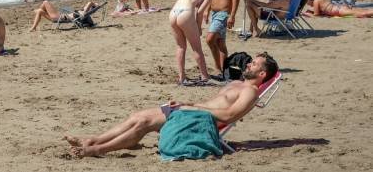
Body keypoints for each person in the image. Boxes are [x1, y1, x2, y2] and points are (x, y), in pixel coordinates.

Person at [64, 53, 279, 158]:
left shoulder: (250, 92)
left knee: (145, 123)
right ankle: (93, 139)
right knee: (136, 116)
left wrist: (193, 107)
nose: (248, 63)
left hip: (200, 119)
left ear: (262, 74)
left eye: (254, 64)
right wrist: (189, 104)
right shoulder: (237, 83)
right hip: (191, 110)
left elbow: (229, 115)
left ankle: (98, 149)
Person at [169, 0, 220, 86]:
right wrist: (199, 27)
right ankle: (205, 76)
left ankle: (182, 77)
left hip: (173, 13)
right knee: (197, 48)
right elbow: (200, 12)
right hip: (185, 14)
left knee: (180, 47)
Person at [205, 0, 239, 81]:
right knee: (220, 43)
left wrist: (232, 16)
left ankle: (218, 68)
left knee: (209, 39)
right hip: (214, 14)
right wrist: (207, 11)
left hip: (224, 14)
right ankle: (224, 71)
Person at [29, 0, 99, 32]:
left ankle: (33, 25)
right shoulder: (83, 13)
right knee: (40, 11)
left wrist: (94, 4)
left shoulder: (83, 13)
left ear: (91, 7)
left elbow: (90, 2)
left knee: (45, 2)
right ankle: (34, 27)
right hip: (60, 16)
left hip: (59, 17)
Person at [306, 0, 373, 18]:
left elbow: (316, 15)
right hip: (340, 6)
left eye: (307, 2)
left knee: (362, 14)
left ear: (309, 0)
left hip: (339, 10)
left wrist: (308, 14)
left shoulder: (315, 2)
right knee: (363, 11)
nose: (307, 4)